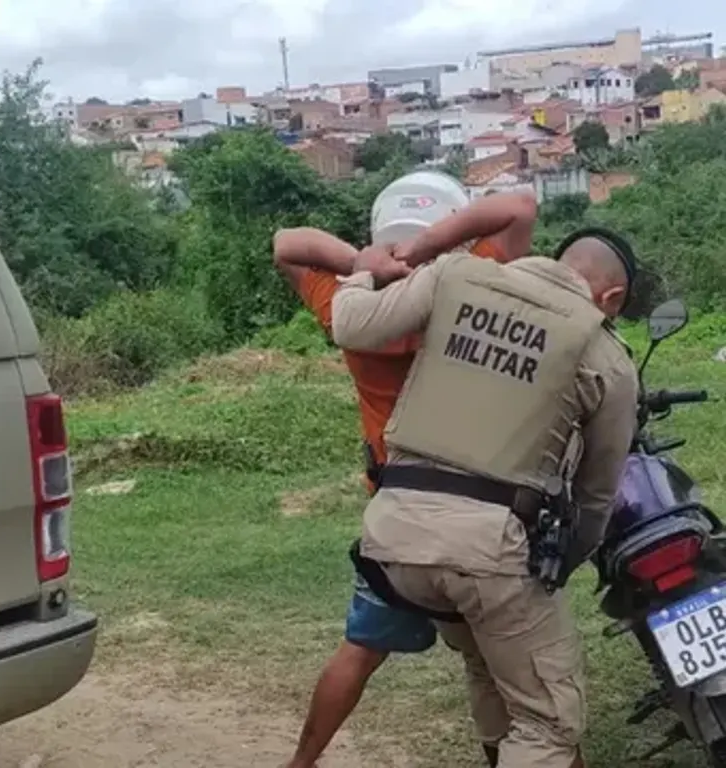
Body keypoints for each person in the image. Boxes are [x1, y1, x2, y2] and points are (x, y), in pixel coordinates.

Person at [329, 227, 640, 768]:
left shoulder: (455, 275)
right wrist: (560, 566)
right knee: (547, 723)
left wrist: (361, 271)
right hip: (488, 552)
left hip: (394, 535)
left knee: (487, 663)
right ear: (610, 299)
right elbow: (596, 496)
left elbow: (350, 323)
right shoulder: (604, 352)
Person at [272, 172, 538, 768]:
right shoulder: (475, 292)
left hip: (395, 519)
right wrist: (426, 251)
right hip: (477, 513)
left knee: (360, 651)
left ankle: (300, 763)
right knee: (504, 672)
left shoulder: (354, 308)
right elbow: (518, 207)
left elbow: (286, 243)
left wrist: (365, 260)